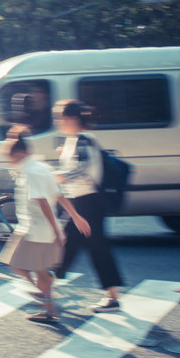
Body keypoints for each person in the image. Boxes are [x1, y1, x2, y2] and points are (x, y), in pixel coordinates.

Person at [0, 128, 91, 324]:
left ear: (19, 154)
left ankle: (46, 299)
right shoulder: (41, 167)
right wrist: (74, 216)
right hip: (35, 229)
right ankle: (46, 296)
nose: (9, 161)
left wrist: (57, 230)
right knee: (28, 266)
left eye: (9, 157)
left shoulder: (31, 172)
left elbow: (42, 201)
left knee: (18, 264)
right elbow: (58, 195)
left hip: (36, 230)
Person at [52, 99, 125, 313]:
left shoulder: (82, 140)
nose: (58, 121)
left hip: (87, 201)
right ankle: (48, 285)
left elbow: (82, 168)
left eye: (60, 117)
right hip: (81, 200)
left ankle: (112, 297)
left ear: (72, 119)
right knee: (70, 245)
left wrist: (59, 176)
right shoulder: (75, 140)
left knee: (95, 247)